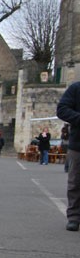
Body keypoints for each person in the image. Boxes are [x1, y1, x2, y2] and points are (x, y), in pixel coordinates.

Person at [56, 82, 80, 231]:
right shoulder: (76, 88)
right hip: (78, 145)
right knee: (75, 182)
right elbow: (62, 109)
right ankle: (74, 217)